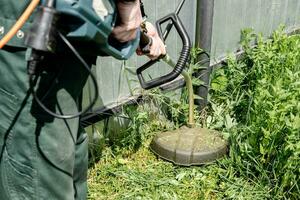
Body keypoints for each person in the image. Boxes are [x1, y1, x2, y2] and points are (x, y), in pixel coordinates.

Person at [0, 0, 165, 199]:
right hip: (41, 31)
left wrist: (134, 14)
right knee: (56, 150)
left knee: (39, 165)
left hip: (40, 33)